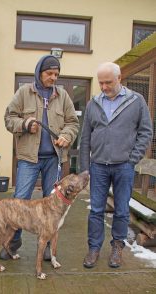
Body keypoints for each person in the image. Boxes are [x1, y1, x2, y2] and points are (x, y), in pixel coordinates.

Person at [2, 55, 79, 260]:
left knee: (54, 204)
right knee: (20, 201)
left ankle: (47, 247)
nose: (53, 77)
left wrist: (66, 135)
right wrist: (25, 125)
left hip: (54, 159)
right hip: (29, 158)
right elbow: (9, 118)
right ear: (39, 72)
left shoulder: (62, 96)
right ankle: (13, 242)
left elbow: (73, 122)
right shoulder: (24, 92)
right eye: (49, 73)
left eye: (56, 74)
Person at [80, 62, 152, 269]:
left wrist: (132, 159)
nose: (103, 87)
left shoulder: (136, 101)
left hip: (123, 167)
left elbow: (146, 131)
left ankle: (117, 248)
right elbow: (85, 138)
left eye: (108, 82)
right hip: (99, 166)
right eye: (100, 83)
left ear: (119, 78)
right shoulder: (93, 104)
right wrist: (85, 167)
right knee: (95, 210)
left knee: (121, 210)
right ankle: (93, 249)